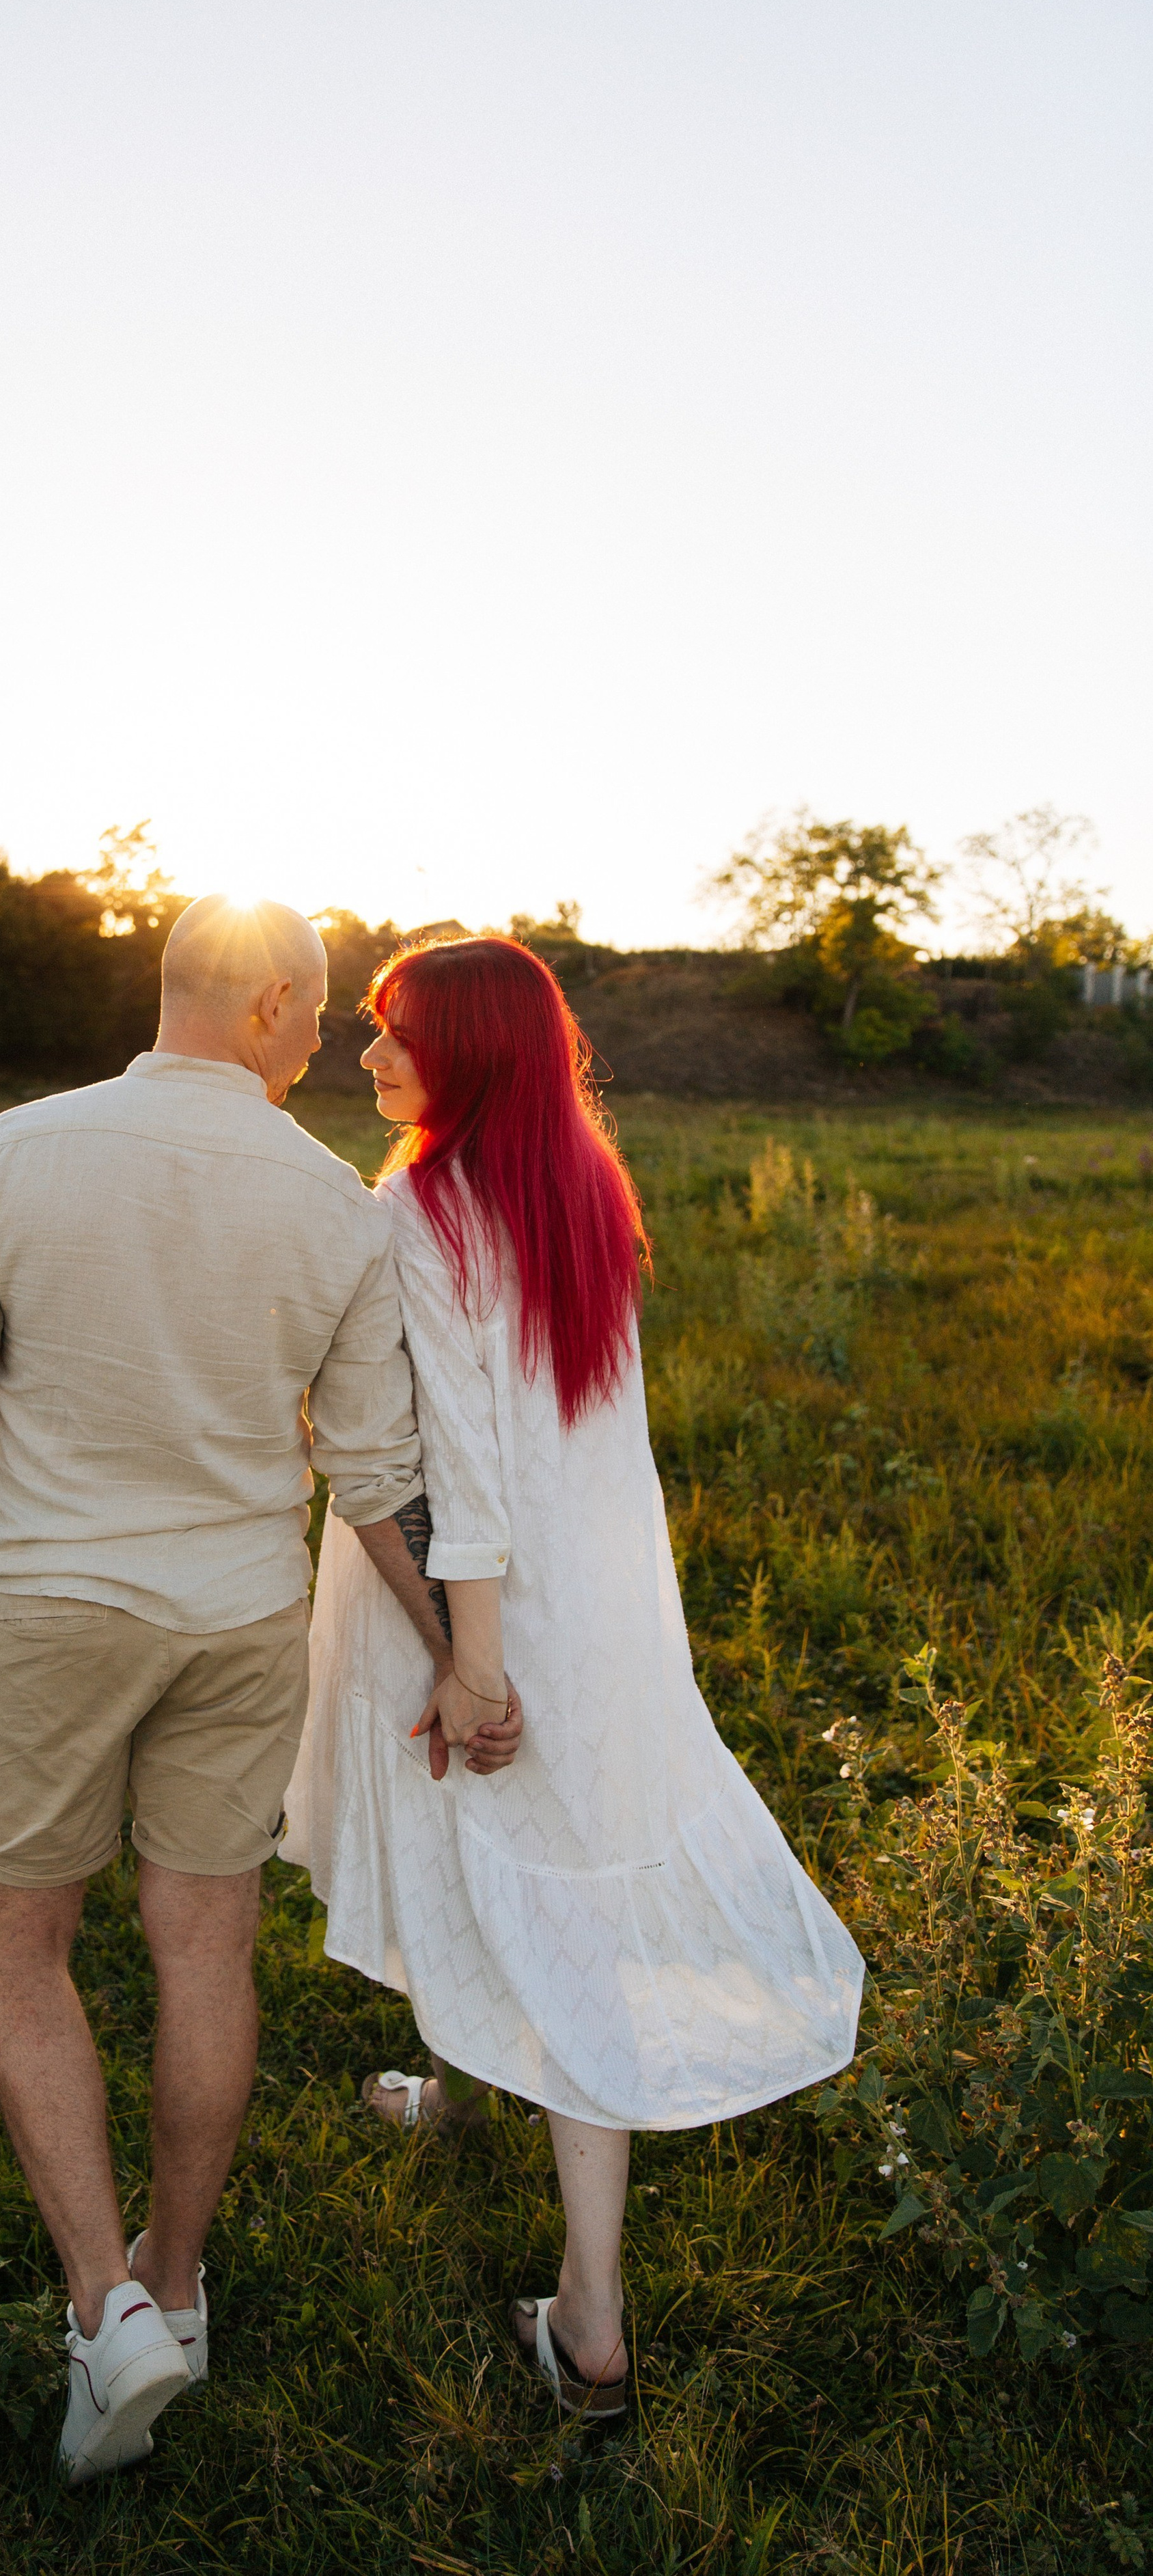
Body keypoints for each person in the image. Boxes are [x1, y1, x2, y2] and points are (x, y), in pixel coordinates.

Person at [0, 894, 519, 2486]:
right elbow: (374, 1470)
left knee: (22, 1934)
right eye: (313, 1018)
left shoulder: (16, 1149)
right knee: (203, 1941)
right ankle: (175, 2277)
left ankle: (107, 2313)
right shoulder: (330, 1205)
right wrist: (460, 1655)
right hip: (235, 1621)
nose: (320, 1046)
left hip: (52, 1606)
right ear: (268, 1005)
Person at [281, 935, 864, 2421]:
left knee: (552, 1910)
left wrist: (467, 1658)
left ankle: (591, 2318)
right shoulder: (576, 1183)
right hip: (599, 1592)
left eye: (397, 1036)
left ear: (473, 1055)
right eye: (368, 1031)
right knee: (523, 1865)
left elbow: (462, 1460)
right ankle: (464, 2074)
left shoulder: (416, 1206)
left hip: (486, 1598)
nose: (367, 1058)